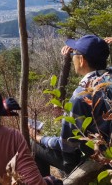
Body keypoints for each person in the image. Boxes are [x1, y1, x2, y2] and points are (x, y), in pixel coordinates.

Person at [30, 35, 111, 177]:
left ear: (81, 60)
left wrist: (39, 138)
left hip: (99, 160)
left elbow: (67, 145)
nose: (72, 55)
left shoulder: (81, 96)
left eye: (74, 53)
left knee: (34, 146)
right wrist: (96, 48)